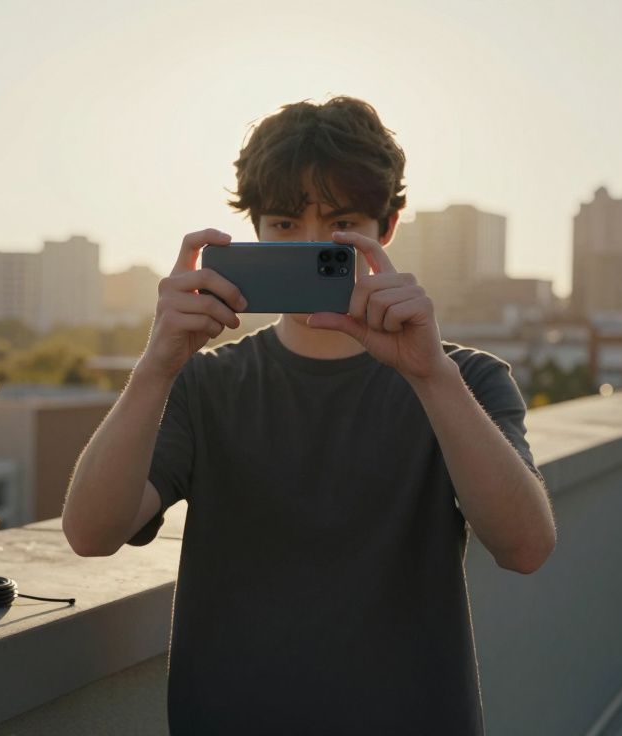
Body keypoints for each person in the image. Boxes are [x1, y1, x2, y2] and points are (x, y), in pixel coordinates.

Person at [61, 96, 556, 734]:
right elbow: (91, 534)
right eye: (285, 223)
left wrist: (432, 375)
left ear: (386, 227)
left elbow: (526, 548)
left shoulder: (466, 380)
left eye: (341, 221)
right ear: (256, 231)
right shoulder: (203, 383)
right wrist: (156, 364)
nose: (310, 244)